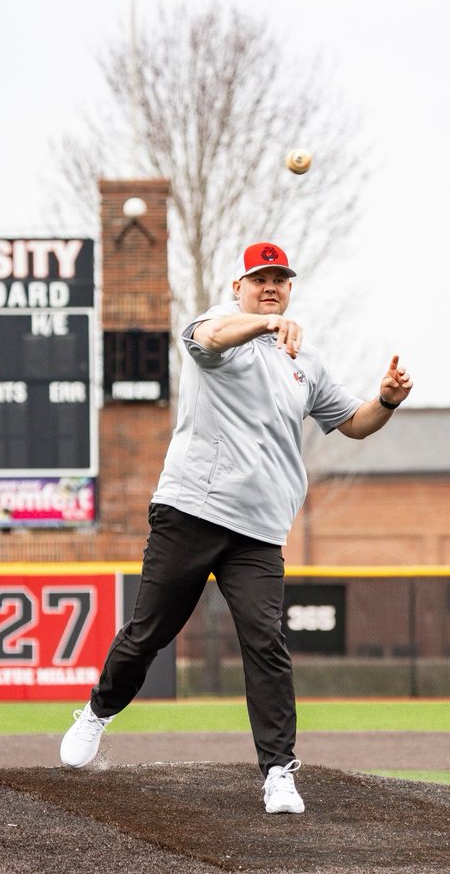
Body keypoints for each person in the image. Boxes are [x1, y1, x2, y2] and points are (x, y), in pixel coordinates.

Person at [60, 241, 413, 813]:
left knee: (266, 644)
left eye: (280, 280)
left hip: (259, 529)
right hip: (191, 511)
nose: (270, 286)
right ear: (238, 287)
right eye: (259, 279)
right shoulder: (220, 328)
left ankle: (278, 772)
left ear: (291, 287)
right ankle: (98, 713)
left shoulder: (306, 361)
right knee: (149, 633)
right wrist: (265, 323)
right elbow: (209, 340)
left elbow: (353, 424)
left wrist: (387, 401)